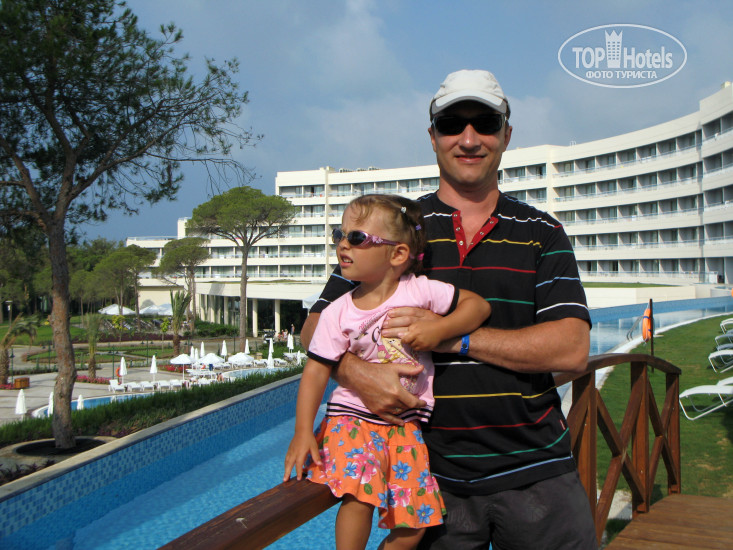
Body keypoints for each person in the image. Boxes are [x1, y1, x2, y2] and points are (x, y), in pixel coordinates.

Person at [301, 70, 598, 549]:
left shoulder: (541, 232)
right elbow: (316, 326)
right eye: (452, 124)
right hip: (429, 473)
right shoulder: (396, 231)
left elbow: (571, 349)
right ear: (433, 136)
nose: (469, 138)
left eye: (485, 123)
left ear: (506, 135)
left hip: (537, 471)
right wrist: (358, 374)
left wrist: (453, 337)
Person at [284, 194, 491, 550]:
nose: (342, 244)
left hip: (405, 426)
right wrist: (303, 431)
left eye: (357, 237)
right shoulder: (337, 312)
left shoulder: (420, 291)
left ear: (397, 254)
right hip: (352, 420)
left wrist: (440, 330)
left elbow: (478, 306)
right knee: (359, 496)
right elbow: (316, 372)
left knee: (416, 523)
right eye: (339, 235)